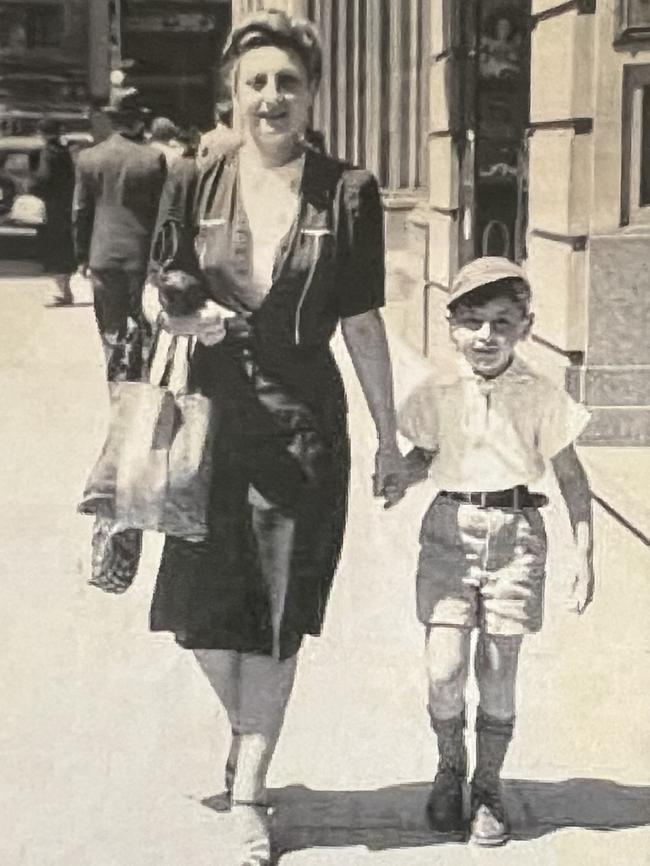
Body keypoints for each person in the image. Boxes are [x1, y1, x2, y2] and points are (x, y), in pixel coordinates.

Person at [143, 10, 402, 864]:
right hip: (209, 424)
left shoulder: (348, 190)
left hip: (303, 430)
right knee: (203, 621)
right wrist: (187, 316)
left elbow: (362, 323)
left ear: (311, 91)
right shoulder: (194, 178)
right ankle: (248, 729)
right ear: (232, 92)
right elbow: (157, 294)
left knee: (280, 619)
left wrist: (390, 437)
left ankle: (250, 792)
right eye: (255, 81)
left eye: (287, 81)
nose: (271, 97)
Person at [389, 256, 595, 846]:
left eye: (503, 323)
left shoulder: (541, 396)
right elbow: (423, 454)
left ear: (525, 328)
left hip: (517, 534)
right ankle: (449, 766)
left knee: (498, 672)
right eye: (473, 321)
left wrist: (584, 556)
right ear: (451, 324)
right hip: (449, 532)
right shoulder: (436, 392)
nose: (486, 336)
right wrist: (397, 476)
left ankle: (486, 787)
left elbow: (573, 479)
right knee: (445, 668)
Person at [72, 90, 167, 381]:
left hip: (102, 254)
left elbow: (80, 211)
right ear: (140, 122)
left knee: (110, 325)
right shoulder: (153, 159)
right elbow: (162, 214)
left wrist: (80, 256)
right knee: (144, 322)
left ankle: (115, 377)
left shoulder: (89, 158)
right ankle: (137, 377)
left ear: (113, 122)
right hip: (142, 256)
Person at [31, 117, 76, 306]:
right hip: (66, 206)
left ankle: (65, 292)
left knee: (54, 249)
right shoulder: (64, 152)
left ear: (42, 133)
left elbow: (43, 178)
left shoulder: (48, 153)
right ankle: (66, 290)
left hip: (52, 208)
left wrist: (32, 187)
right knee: (65, 247)